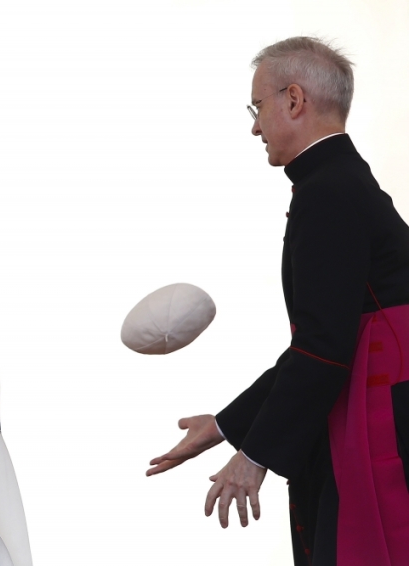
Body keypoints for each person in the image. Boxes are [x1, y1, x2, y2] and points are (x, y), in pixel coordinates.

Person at [146, 37, 409, 565]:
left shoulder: (327, 192)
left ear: (294, 100)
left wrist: (255, 456)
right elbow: (324, 344)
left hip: (376, 415)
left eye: (257, 106)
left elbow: (324, 348)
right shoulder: (341, 180)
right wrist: (224, 426)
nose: (254, 125)